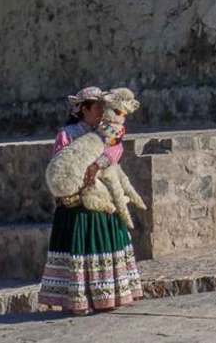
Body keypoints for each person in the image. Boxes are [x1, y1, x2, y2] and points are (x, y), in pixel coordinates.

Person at [38, 86, 144, 315]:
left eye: (102, 107)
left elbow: (116, 151)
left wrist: (99, 164)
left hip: (102, 192)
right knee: (80, 248)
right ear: (82, 109)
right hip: (76, 202)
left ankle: (109, 295)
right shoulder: (67, 134)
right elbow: (61, 162)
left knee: (106, 240)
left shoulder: (107, 130)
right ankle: (80, 300)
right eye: (96, 107)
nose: (100, 111)